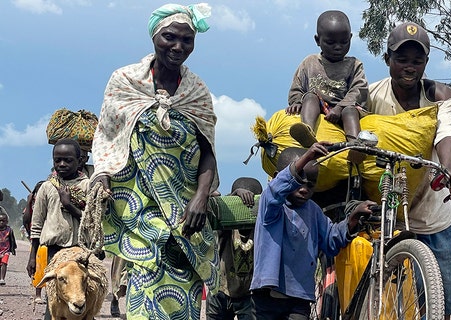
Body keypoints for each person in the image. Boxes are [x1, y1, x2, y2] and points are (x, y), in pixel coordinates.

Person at [88, 3, 219, 319]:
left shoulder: (197, 91)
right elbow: (106, 136)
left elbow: (208, 151)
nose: (178, 46)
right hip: (138, 208)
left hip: (186, 215)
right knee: (144, 289)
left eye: (187, 40)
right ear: (154, 36)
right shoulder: (125, 81)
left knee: (183, 296)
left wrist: (201, 197)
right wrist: (102, 173)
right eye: (170, 37)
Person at [366, 22, 451, 319]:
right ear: (387, 60)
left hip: (433, 215)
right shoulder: (371, 96)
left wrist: (448, 170)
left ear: (426, 63)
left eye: (417, 61)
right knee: (379, 298)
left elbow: (446, 132)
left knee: (440, 304)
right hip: (386, 214)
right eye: (401, 60)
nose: (409, 67)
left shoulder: (439, 95)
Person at [250, 143, 376, 320]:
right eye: (298, 181)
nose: (304, 189)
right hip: (268, 296)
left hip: (300, 297)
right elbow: (276, 189)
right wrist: (307, 157)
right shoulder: (270, 204)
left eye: (310, 185)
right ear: (280, 177)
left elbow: (332, 239)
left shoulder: (314, 211)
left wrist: (352, 219)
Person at [26, 139, 90, 319]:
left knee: (81, 297)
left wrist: (69, 205)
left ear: (80, 160)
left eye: (68, 160)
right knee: (54, 300)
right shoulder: (47, 187)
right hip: (54, 252)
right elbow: (37, 224)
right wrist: (33, 256)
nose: (62, 164)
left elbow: (93, 221)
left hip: (80, 252)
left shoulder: (86, 186)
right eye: (57, 160)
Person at [286, 10, 368, 149]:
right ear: (318, 40)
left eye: (344, 42)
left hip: (343, 108)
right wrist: (296, 101)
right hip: (318, 105)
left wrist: (339, 108)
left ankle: (356, 146)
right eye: (331, 42)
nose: (338, 47)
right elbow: (297, 87)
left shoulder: (354, 64)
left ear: (350, 38)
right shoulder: (309, 62)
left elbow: (358, 90)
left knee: (350, 110)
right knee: (310, 96)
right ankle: (307, 133)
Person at [206, 177, 263, 320]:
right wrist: (234, 196)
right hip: (220, 291)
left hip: (249, 294)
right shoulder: (226, 225)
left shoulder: (261, 227)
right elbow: (217, 208)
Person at [22, 180, 46, 304]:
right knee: (38, 265)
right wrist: (29, 201)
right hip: (38, 239)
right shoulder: (33, 205)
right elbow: (26, 221)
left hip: (51, 238)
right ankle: (38, 293)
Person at [0, 200, 18, 286]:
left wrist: (13, 249)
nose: (1, 223)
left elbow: (12, 240)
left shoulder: (9, 230)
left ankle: (2, 278)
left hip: (5, 251)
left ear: (6, 222)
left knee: (4, 263)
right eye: (0, 221)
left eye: (3, 221)